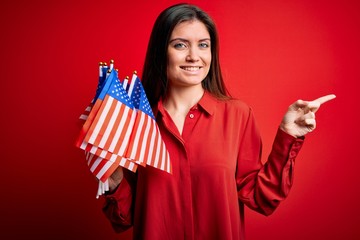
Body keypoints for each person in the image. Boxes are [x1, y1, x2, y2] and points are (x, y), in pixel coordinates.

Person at [101, 3, 335, 240]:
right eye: (180, 45)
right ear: (161, 52)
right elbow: (126, 217)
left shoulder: (238, 115)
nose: (194, 56)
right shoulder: (134, 121)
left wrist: (288, 135)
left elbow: (261, 198)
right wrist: (113, 174)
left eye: (203, 45)